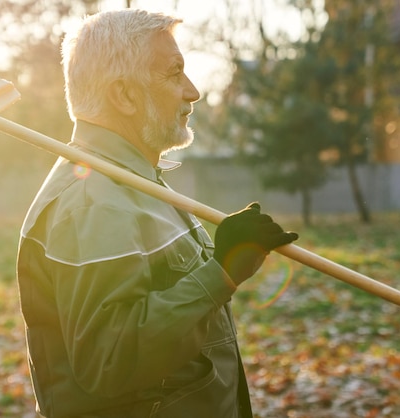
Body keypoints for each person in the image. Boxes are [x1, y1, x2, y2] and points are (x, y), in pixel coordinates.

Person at [16, 8, 298, 418]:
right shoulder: (93, 202)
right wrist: (220, 271)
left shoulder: (132, 182)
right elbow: (109, 359)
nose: (193, 91)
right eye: (174, 72)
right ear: (125, 95)